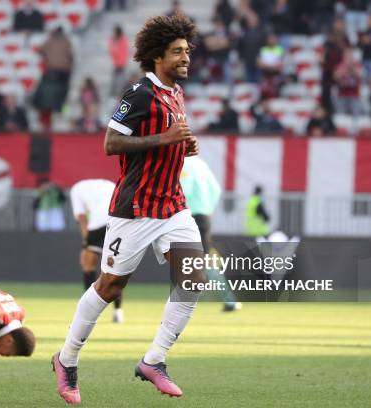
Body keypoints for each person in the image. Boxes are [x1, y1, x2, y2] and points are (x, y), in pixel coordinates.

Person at [52, 14, 202, 404]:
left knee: (193, 278)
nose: (186, 57)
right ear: (157, 56)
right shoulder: (139, 93)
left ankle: (154, 360)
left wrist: (180, 146)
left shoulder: (176, 93)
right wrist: (165, 137)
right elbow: (111, 144)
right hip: (136, 208)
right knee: (110, 286)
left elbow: (165, 142)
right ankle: (66, 358)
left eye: (187, 50)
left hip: (172, 205)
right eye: (177, 52)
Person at [179, 156, 240, 312]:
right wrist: (209, 209)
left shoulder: (184, 164)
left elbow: (184, 189)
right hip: (203, 216)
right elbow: (216, 189)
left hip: (191, 216)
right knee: (203, 259)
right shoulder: (201, 163)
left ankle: (227, 299)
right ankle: (228, 300)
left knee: (198, 260)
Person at [69, 179, 123, 322]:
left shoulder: (76, 189)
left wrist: (85, 245)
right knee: (116, 271)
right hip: (118, 222)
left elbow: (82, 218)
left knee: (88, 266)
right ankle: (118, 311)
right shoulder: (109, 184)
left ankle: (89, 310)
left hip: (98, 224)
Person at [108, 25, 130, 96]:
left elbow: (124, 52)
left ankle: (121, 92)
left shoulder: (123, 40)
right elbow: (111, 49)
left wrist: (121, 62)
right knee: (115, 78)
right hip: (116, 62)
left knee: (121, 78)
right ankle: (113, 92)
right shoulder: (113, 39)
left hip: (121, 63)